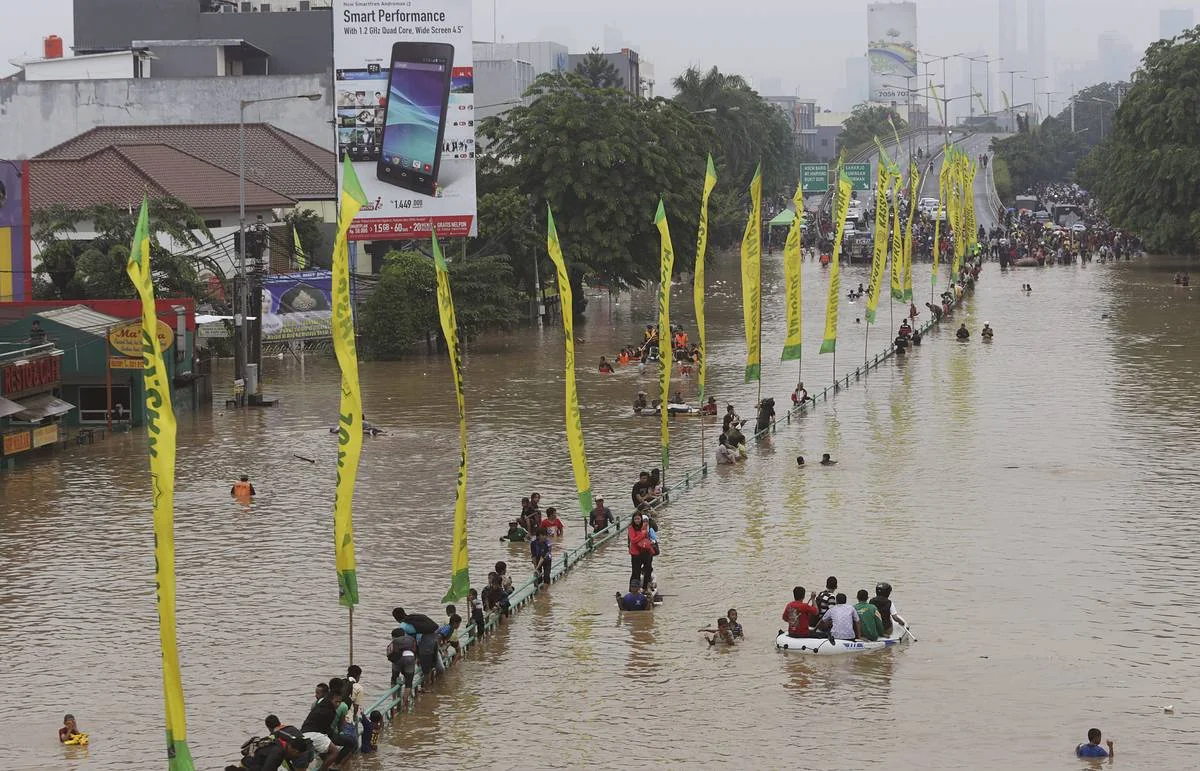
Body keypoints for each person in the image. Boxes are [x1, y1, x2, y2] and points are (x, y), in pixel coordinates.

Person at [628, 511, 655, 588]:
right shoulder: (631, 528)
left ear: (641, 519)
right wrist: (642, 534)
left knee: (648, 569)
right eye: (635, 519)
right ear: (633, 520)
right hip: (636, 553)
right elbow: (633, 540)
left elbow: (647, 537)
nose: (637, 521)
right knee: (636, 572)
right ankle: (633, 588)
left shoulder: (645, 526)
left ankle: (646, 587)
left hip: (646, 551)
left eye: (638, 519)